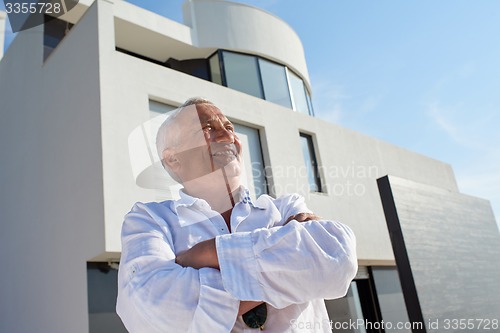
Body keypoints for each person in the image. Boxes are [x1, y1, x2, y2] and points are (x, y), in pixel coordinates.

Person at [116, 97, 357, 332]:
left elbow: (338, 259)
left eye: (229, 127)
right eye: (207, 129)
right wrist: (289, 266)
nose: (227, 136)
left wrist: (207, 254)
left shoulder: (285, 207)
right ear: (173, 158)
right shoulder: (148, 220)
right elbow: (159, 310)